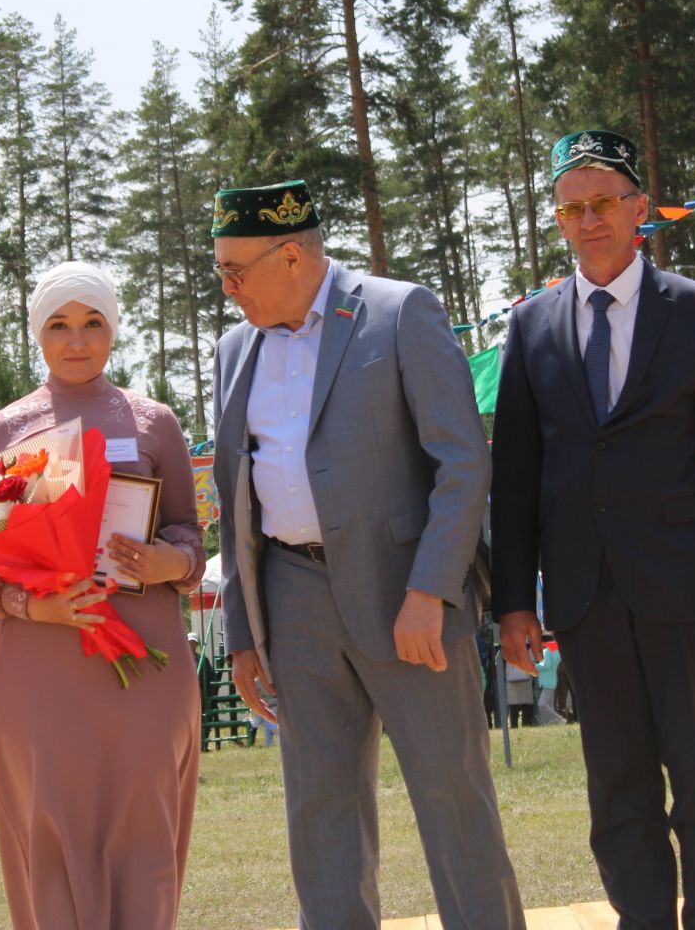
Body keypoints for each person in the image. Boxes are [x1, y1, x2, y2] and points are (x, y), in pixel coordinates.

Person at [209, 182, 524, 930]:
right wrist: (246, 634)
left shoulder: (398, 311)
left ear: (292, 254)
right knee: (321, 818)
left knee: (454, 803)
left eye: (235, 271)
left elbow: (462, 465)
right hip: (292, 601)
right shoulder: (232, 348)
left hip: (407, 600)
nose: (226, 289)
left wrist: (431, 591)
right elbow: (233, 498)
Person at [492, 130, 695, 930]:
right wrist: (514, 599)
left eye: (604, 201)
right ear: (559, 221)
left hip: (687, 596)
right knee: (617, 792)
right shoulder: (531, 325)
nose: (590, 219)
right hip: (584, 596)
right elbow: (514, 477)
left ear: (640, 208)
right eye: (572, 208)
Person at [0, 261, 205, 930]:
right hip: (40, 669)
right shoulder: (1, 430)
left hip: (146, 663)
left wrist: (168, 562)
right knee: (49, 825)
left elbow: (191, 531)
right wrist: (29, 606)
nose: (77, 340)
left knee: (145, 824)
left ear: (114, 329)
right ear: (37, 335)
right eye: (60, 325)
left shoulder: (155, 423)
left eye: (93, 323)